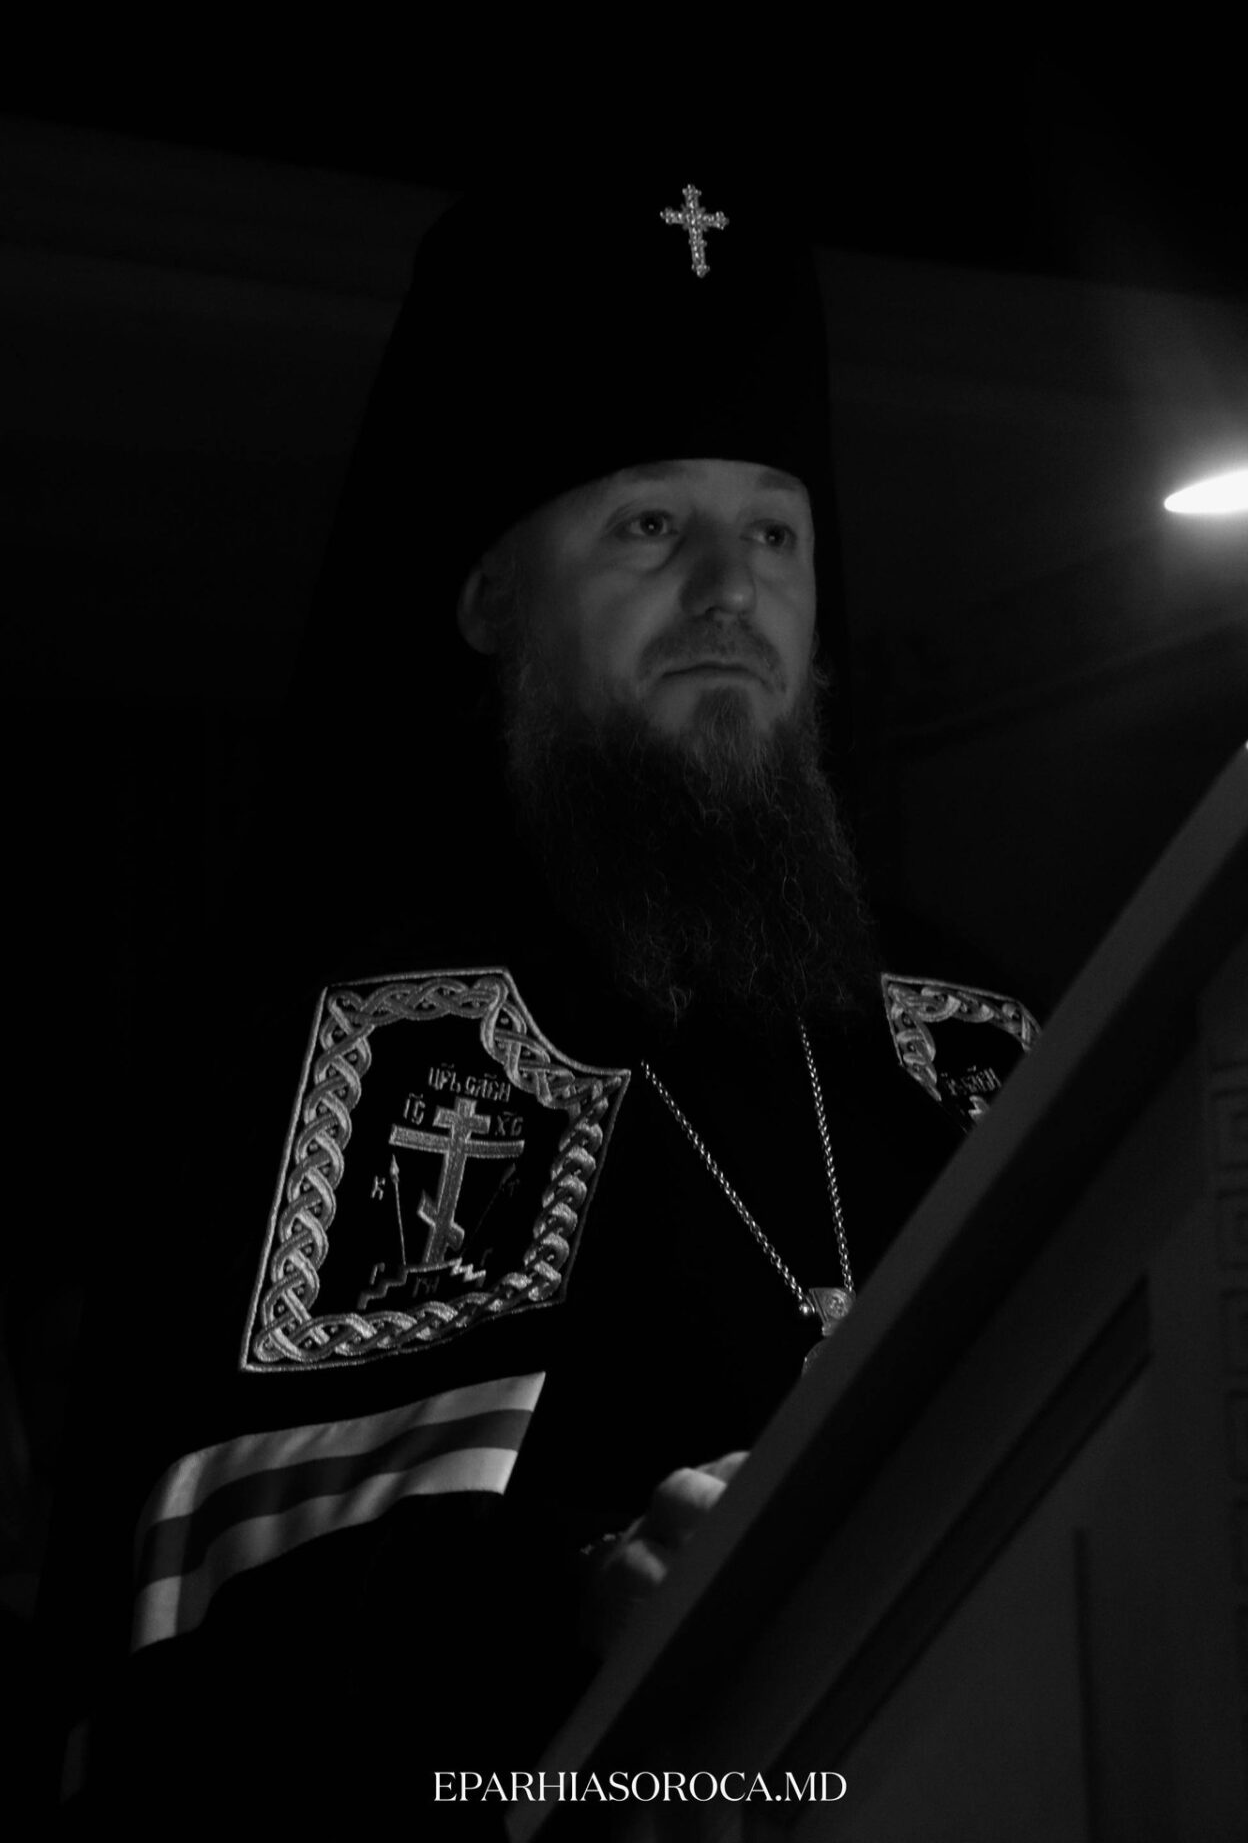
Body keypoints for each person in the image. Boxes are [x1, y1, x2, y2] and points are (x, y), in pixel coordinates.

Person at [38, 164, 1037, 1827]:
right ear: (492, 598)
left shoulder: (981, 1031)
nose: (731, 593)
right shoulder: (349, 1044)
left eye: (773, 533)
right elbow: (209, 1637)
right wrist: (583, 1598)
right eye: (651, 526)